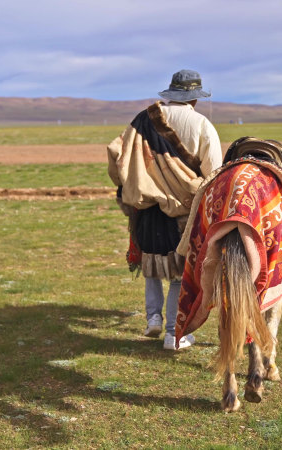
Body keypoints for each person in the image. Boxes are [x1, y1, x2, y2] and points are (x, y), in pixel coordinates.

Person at [107, 69, 223, 350]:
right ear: (194, 99)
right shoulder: (202, 125)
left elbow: (117, 154)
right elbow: (214, 172)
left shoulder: (142, 121)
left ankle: (153, 319)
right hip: (183, 212)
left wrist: (134, 185)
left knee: (151, 265)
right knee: (177, 274)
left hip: (146, 208)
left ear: (171, 95)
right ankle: (174, 334)